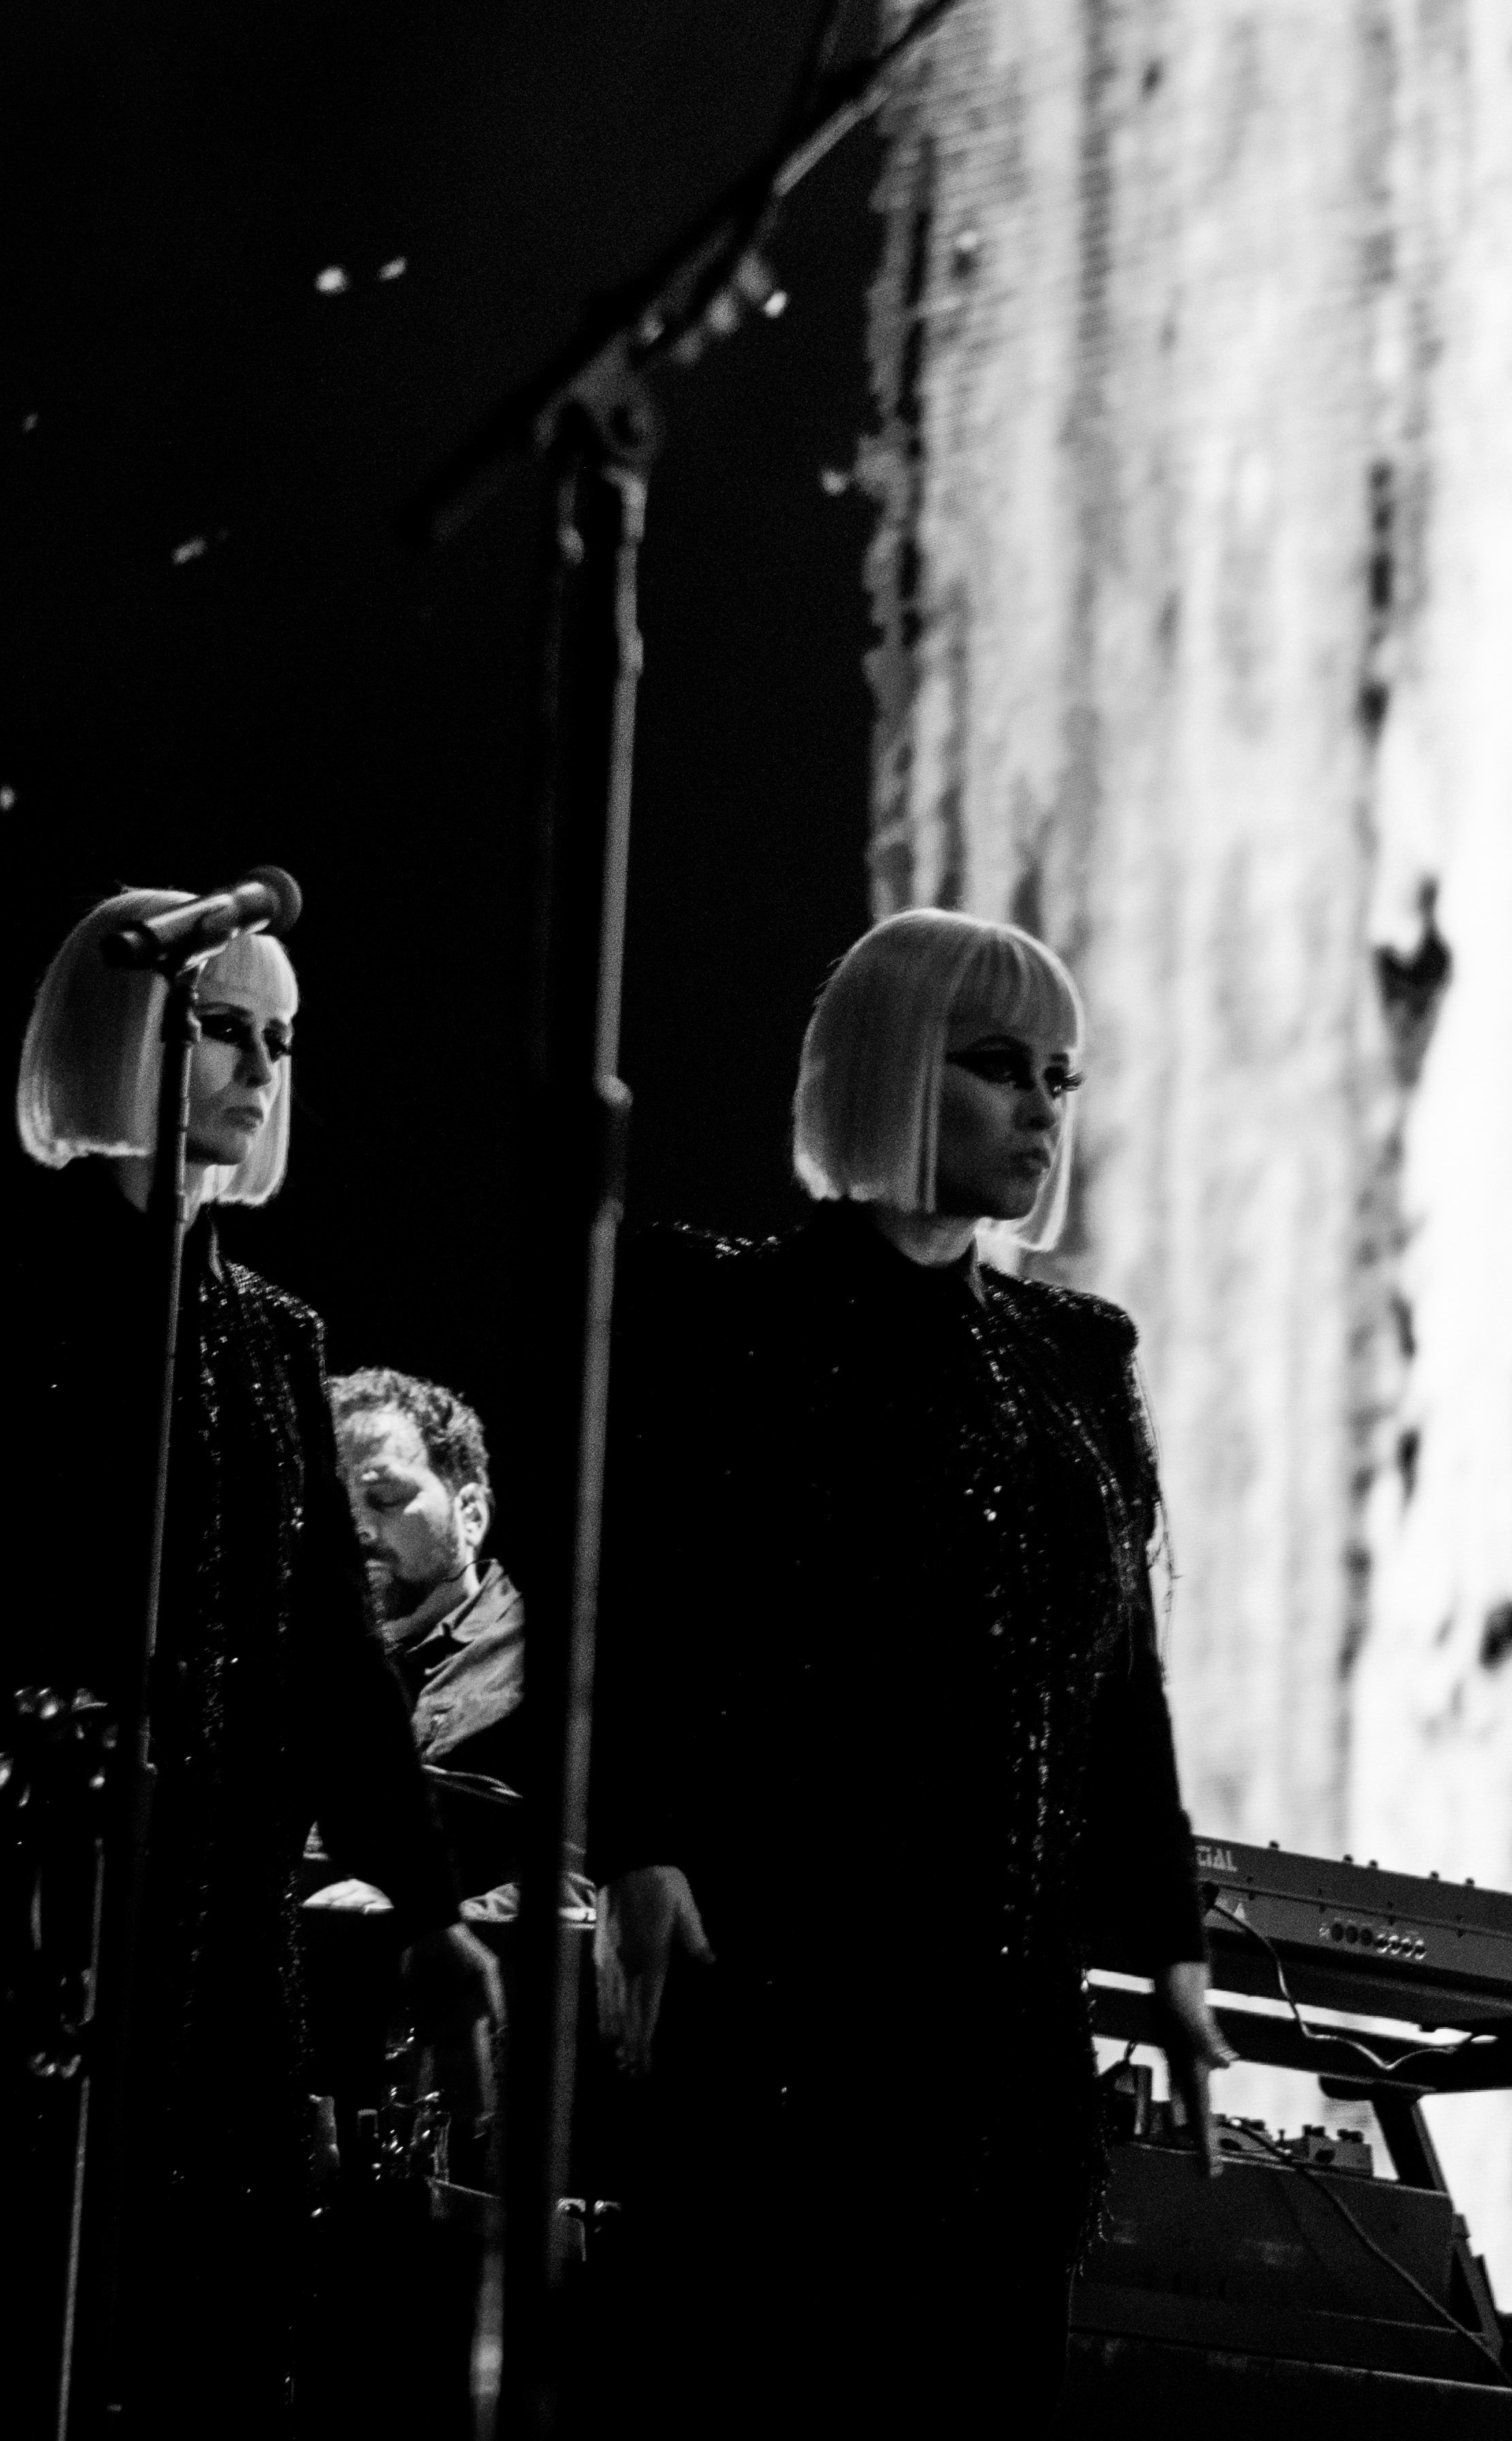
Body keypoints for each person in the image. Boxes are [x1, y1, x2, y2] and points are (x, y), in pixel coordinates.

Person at [0, 890, 499, 2436]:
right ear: (127, 1029)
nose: (262, 1068)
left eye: (281, 1040)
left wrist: (432, 1904)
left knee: (209, 2322)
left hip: (222, 1921)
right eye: (225, 1028)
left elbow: (332, 1655)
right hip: (30, 1896)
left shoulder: (275, 1336)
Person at [586, 906, 1231, 2431]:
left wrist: (1173, 1939)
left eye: (1061, 1078)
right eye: (1001, 1067)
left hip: (1007, 2040)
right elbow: (630, 1598)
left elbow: (1118, 1682)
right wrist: (640, 1839)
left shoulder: (1078, 1357)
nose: (1041, 1112)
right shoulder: (718, 1314)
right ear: (887, 1065)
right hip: (789, 1993)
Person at [332, 1363, 529, 1889]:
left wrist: (411, 1912)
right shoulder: (299, 1660)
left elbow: (592, 1886)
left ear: (471, 1514)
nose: (355, 1529)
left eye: (385, 1498)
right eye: (332, 1507)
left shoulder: (542, 1670)